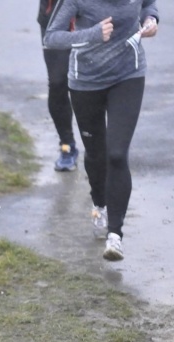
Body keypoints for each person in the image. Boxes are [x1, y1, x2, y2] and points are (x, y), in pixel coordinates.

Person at [44, 0, 159, 261]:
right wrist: (93, 34)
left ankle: (115, 235)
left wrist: (151, 19)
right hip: (86, 82)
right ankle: (100, 204)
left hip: (129, 75)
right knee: (96, 154)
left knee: (117, 154)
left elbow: (149, 4)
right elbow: (52, 37)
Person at [38, 0, 80, 172]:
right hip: (54, 15)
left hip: (94, 14)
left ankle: (98, 146)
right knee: (57, 82)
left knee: (92, 83)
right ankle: (67, 145)